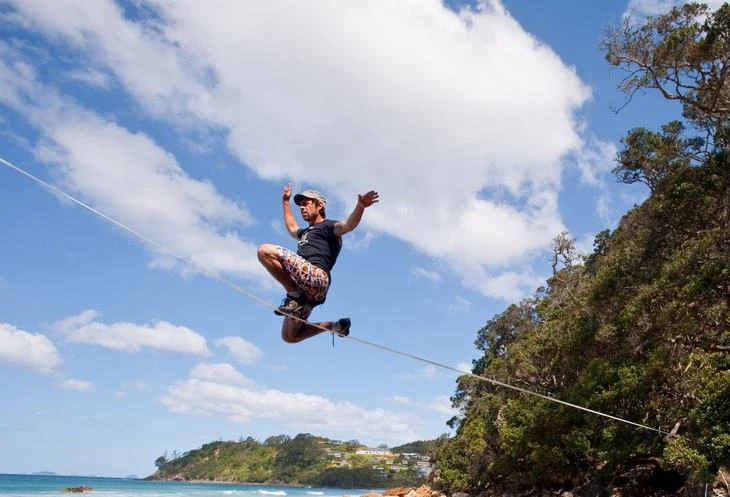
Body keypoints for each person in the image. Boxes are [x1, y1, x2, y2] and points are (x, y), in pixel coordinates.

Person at [257, 183, 379, 343]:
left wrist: (360, 206)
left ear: (319, 205)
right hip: (308, 291)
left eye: (306, 203)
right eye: (300, 205)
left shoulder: (327, 227)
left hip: (317, 276)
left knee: (264, 250)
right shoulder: (305, 233)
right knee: (289, 336)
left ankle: (294, 296)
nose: (302, 208)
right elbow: (292, 227)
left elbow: (348, 225)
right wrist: (285, 202)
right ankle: (335, 326)